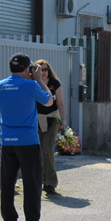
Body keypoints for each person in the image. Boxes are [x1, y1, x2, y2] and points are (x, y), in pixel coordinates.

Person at [0, 53, 54, 221]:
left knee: (7, 182)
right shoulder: (30, 85)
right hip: (27, 140)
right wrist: (38, 80)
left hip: (7, 140)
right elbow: (48, 100)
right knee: (32, 182)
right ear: (28, 69)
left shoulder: (0, 86)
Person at [34, 59, 66, 196]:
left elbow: (60, 103)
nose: (44, 72)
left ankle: (51, 182)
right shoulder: (32, 84)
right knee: (38, 151)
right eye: (41, 69)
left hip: (52, 118)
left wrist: (63, 120)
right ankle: (42, 181)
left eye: (46, 69)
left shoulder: (54, 84)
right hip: (35, 120)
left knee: (47, 148)